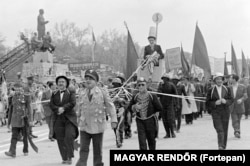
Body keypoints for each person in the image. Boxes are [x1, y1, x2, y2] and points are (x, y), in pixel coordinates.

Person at [76, 69, 117, 166]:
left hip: (97, 126)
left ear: (96, 81)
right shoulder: (82, 93)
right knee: (83, 149)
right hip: (85, 125)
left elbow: (110, 106)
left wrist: (113, 120)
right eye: (86, 78)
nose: (88, 81)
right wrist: (76, 121)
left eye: (91, 78)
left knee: (97, 151)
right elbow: (79, 109)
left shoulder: (102, 92)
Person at [50, 75, 79, 164]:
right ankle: (64, 157)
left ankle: (70, 156)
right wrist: (57, 109)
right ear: (57, 84)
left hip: (69, 118)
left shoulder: (71, 93)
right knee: (60, 138)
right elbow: (51, 104)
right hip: (58, 118)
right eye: (59, 82)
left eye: (63, 82)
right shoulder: (54, 94)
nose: (61, 83)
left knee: (69, 136)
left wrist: (63, 108)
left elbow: (73, 103)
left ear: (66, 83)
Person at [128, 77, 162, 150]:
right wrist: (134, 107)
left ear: (146, 85)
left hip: (150, 121)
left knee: (151, 140)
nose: (141, 87)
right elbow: (129, 108)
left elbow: (159, 107)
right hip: (140, 121)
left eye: (143, 85)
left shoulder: (152, 96)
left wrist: (154, 112)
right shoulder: (135, 96)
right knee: (142, 141)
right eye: (139, 85)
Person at [5, 82, 32, 157]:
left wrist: (30, 120)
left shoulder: (26, 97)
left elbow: (29, 109)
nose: (17, 91)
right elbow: (10, 110)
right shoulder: (11, 97)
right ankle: (12, 152)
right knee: (14, 136)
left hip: (23, 120)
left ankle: (25, 150)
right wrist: (9, 122)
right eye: (16, 89)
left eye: (19, 89)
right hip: (15, 120)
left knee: (25, 137)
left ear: (22, 89)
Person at [206, 73, 233, 150]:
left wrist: (226, 101)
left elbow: (231, 99)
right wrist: (214, 103)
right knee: (219, 128)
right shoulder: (211, 90)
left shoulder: (227, 88)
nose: (219, 81)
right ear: (215, 81)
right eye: (217, 79)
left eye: (220, 79)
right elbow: (207, 102)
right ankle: (220, 145)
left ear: (222, 80)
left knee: (224, 129)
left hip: (225, 111)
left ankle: (222, 146)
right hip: (216, 112)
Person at [158, 73, 178, 138]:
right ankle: (167, 133)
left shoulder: (172, 85)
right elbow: (158, 94)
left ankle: (172, 132)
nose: (164, 80)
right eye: (163, 79)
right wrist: (159, 89)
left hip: (170, 104)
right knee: (164, 120)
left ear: (168, 79)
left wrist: (176, 104)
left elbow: (176, 94)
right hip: (163, 105)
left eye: (165, 79)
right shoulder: (160, 85)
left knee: (170, 119)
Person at [229, 74, 247, 138]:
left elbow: (245, 96)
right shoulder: (229, 87)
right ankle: (237, 131)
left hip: (240, 106)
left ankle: (237, 131)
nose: (230, 79)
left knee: (238, 120)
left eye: (231, 78)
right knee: (235, 119)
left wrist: (241, 99)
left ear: (234, 79)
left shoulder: (243, 87)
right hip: (232, 106)